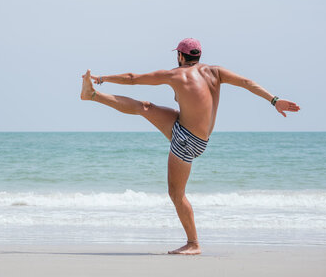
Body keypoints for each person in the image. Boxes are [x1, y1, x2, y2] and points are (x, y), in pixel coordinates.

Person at [80, 38, 300, 255]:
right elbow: (246, 82)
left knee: (176, 193)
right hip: (191, 132)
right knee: (145, 107)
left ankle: (193, 243)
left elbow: (133, 78)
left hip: (186, 140)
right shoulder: (216, 72)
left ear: (180, 56)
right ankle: (91, 95)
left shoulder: (177, 75)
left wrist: (102, 77)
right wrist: (274, 100)